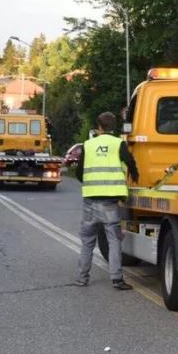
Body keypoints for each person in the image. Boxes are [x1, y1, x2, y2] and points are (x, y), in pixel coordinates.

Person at [74, 112, 139, 290]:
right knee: (114, 240)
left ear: (99, 127)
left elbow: (79, 173)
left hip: (89, 200)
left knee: (87, 240)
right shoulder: (118, 144)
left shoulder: (88, 145)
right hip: (109, 202)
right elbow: (131, 163)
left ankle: (82, 277)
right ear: (114, 126)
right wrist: (135, 177)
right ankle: (117, 279)